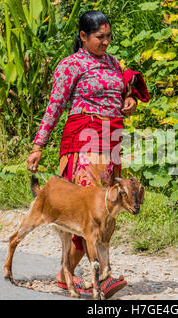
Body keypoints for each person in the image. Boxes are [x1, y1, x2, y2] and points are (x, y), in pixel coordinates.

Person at [26, 11, 145, 299]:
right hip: (85, 143)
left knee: (106, 212)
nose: (105, 42)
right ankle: (92, 277)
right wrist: (38, 145)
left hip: (110, 142)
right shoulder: (71, 65)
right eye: (99, 37)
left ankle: (76, 274)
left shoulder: (113, 63)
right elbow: (54, 107)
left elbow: (122, 96)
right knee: (89, 210)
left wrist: (129, 101)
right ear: (83, 36)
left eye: (108, 36)